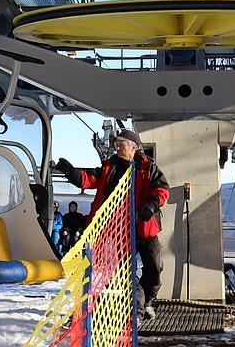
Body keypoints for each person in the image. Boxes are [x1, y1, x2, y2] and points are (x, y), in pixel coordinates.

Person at [55, 130, 170, 320]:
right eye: (116, 144)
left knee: (155, 267)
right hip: (121, 230)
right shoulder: (110, 167)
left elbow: (162, 189)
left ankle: (147, 301)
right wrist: (71, 172)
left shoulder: (148, 167)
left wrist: (152, 204)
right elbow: (89, 179)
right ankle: (136, 312)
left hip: (145, 228)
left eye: (121, 144)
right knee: (128, 272)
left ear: (133, 147)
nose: (117, 147)